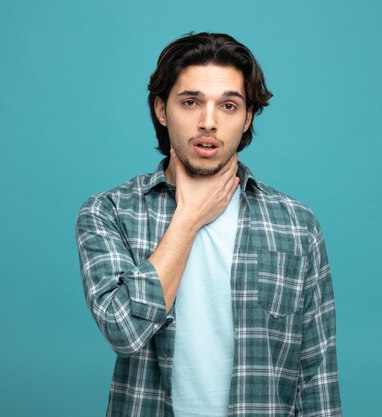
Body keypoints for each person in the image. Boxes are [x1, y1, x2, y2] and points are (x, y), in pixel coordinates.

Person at [76, 32, 342, 417]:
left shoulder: (296, 225)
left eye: (229, 106)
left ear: (248, 116)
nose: (209, 122)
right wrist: (188, 218)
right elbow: (125, 330)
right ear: (162, 110)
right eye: (190, 102)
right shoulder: (109, 213)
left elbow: (316, 376)